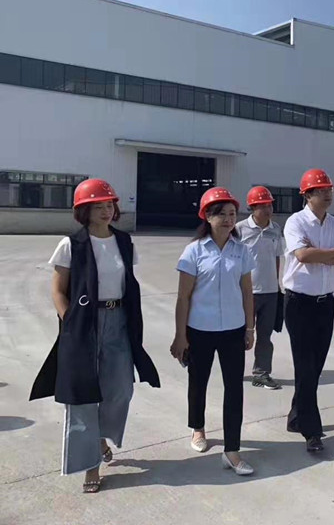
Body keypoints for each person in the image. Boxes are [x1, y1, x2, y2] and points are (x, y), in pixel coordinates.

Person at [30, 178, 160, 493]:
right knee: (83, 397)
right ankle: (90, 465)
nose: (105, 211)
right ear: (83, 211)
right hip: (83, 324)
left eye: (109, 205)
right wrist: (70, 322)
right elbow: (58, 290)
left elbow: (128, 283)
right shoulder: (71, 245)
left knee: (120, 389)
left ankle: (100, 438)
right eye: (98, 206)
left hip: (119, 321)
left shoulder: (125, 242)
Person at [170, 187, 256, 476]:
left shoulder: (241, 251)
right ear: (207, 216)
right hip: (200, 330)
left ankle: (232, 450)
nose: (229, 219)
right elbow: (183, 297)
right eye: (222, 214)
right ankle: (198, 428)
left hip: (233, 330)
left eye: (232, 214)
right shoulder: (194, 251)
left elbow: (247, 291)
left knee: (234, 389)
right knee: (198, 382)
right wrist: (180, 335)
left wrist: (250, 327)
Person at [283, 168, 334, 452]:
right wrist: (325, 254)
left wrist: (317, 254)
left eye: (329, 190)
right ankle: (312, 432)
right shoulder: (295, 222)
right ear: (307, 195)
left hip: (325, 303)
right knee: (305, 367)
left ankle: (296, 416)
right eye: (321, 191)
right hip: (299, 303)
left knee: (315, 367)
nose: (328, 194)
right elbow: (302, 255)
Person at [236, 186, 285, 390]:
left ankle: (261, 373)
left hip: (270, 292)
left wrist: (276, 283)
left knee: (265, 336)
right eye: (262, 206)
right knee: (240, 334)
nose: (267, 210)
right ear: (252, 208)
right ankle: (234, 369)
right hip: (246, 292)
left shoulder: (276, 228)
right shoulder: (239, 229)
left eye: (269, 205)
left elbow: (276, 257)